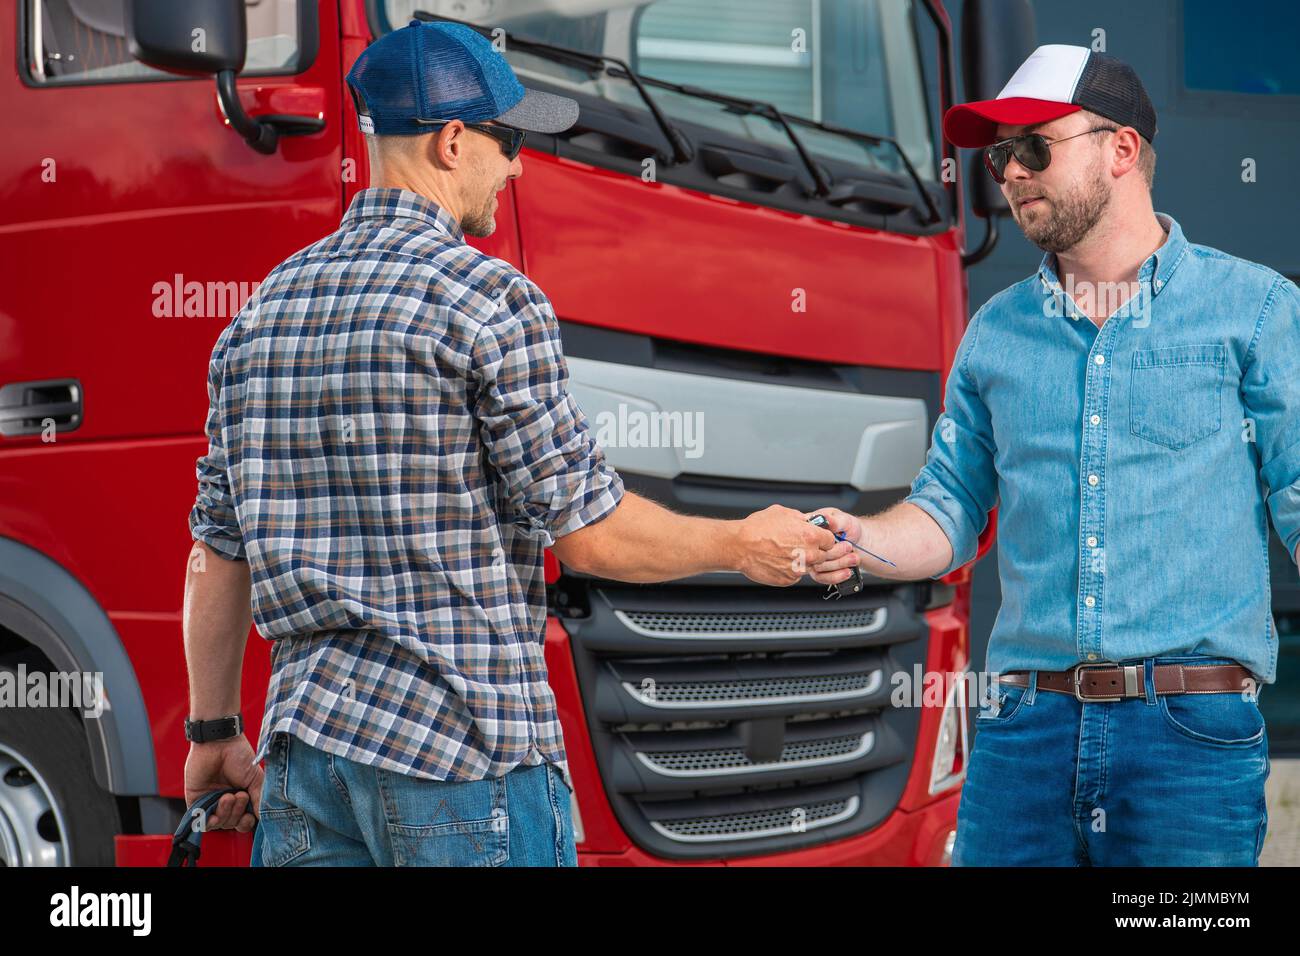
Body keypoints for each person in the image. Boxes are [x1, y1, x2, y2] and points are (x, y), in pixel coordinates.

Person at [180, 19, 835, 867]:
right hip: (460, 754)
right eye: (510, 140)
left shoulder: (262, 312)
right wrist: (743, 543)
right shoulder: (492, 300)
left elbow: (217, 551)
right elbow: (589, 533)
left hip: (308, 764)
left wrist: (211, 734)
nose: (519, 166)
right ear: (454, 142)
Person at [810, 45, 1299, 865]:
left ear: (1121, 149)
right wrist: (854, 540)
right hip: (1023, 738)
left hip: (1188, 740)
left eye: (1035, 146)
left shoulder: (1253, 312)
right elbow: (949, 510)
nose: (1010, 173)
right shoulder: (995, 332)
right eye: (1001, 155)